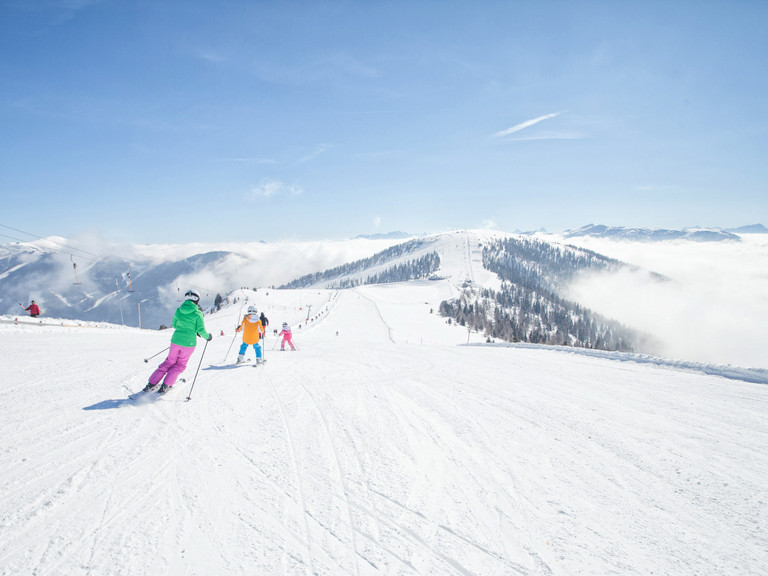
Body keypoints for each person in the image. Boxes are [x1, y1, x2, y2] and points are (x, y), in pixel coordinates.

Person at [143, 289, 211, 394]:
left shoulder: (179, 310)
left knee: (169, 362)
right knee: (180, 365)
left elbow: (174, 325)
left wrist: (183, 328)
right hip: (189, 343)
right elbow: (201, 330)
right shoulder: (198, 313)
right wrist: (208, 337)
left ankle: (151, 384)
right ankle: (166, 385)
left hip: (175, 340)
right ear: (197, 300)